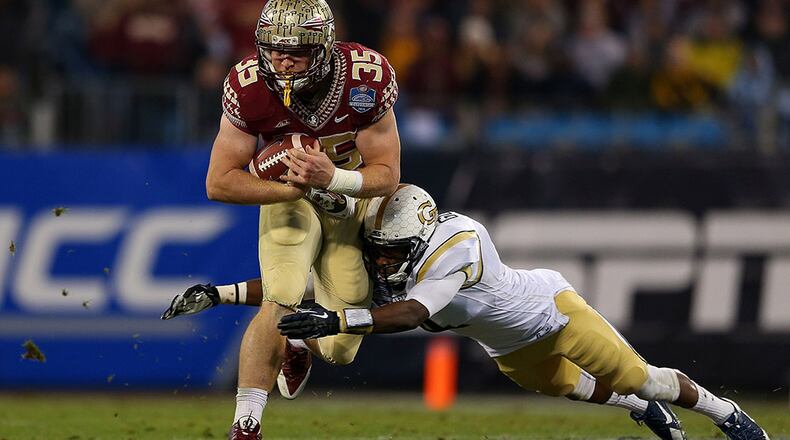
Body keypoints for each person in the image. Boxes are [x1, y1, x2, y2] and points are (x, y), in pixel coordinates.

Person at [162, 184, 772, 440]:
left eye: (392, 252)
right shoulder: (394, 247)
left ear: (420, 238)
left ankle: (726, 414)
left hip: (555, 313)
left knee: (640, 375)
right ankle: (642, 410)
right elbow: (297, 286)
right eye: (380, 251)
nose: (382, 263)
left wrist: (337, 322)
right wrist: (218, 294)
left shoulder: (459, 243)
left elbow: (405, 315)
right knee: (587, 394)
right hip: (507, 347)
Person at [203, 0, 400, 437]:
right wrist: (292, 188)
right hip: (289, 199)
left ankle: (298, 342)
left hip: (348, 204)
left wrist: (334, 178)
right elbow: (219, 182)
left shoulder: (365, 77)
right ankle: (246, 424)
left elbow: (387, 176)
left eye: (297, 51)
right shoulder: (248, 84)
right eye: (274, 50)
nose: (283, 61)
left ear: (326, 48)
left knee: (341, 348)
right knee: (281, 296)